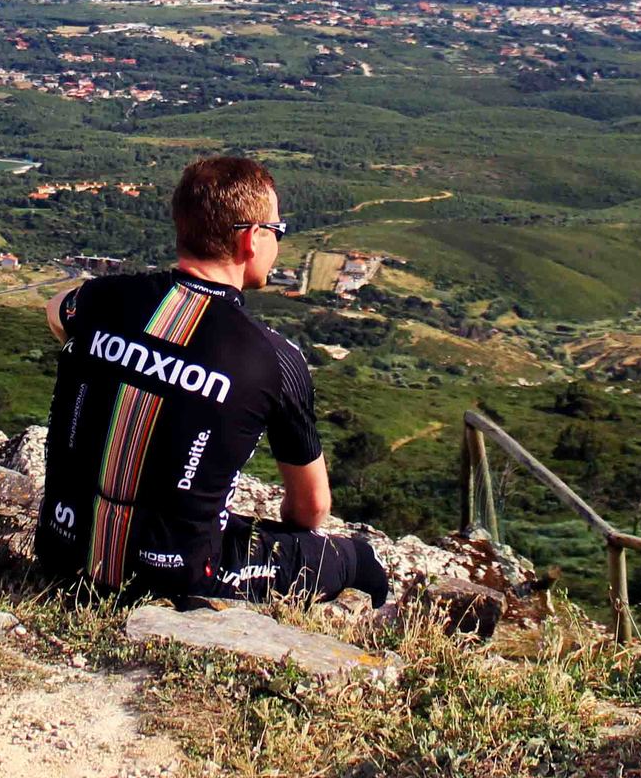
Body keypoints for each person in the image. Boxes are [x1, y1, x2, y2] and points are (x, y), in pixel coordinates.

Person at [34, 155, 389, 607]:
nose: (278, 243)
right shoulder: (276, 358)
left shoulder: (102, 299)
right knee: (355, 557)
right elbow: (311, 509)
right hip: (176, 578)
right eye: (276, 232)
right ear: (250, 238)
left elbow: (56, 310)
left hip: (62, 550)